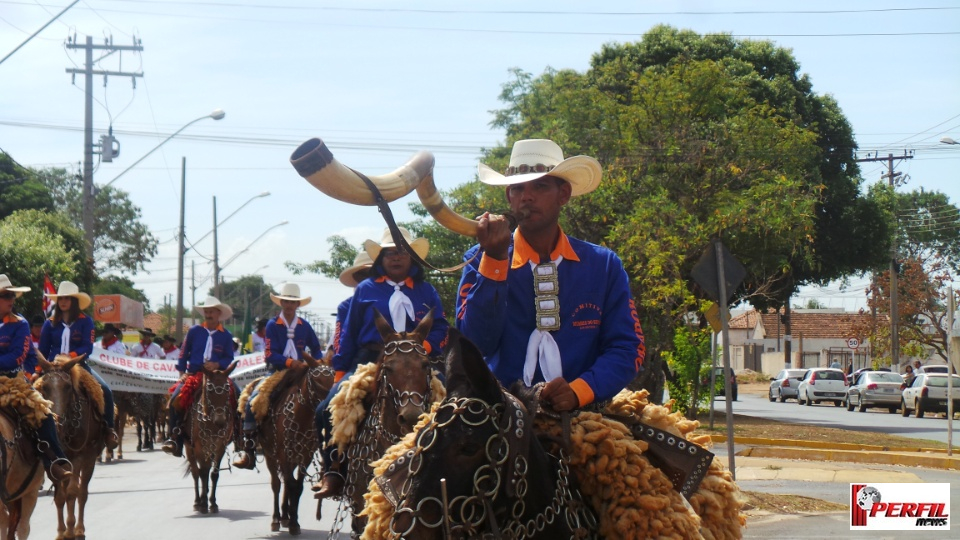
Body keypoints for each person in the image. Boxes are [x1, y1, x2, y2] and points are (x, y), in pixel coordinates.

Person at [456, 139, 644, 413]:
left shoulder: (603, 265)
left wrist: (579, 390)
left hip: (586, 412)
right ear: (509, 196)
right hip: (499, 414)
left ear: (563, 194)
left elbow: (628, 348)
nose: (526, 197)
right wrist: (495, 261)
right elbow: (474, 344)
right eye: (517, 188)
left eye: (540, 186)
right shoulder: (479, 258)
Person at [312, 227, 449, 500]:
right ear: (381, 259)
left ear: (411, 257)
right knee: (325, 407)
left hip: (416, 361)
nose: (396, 257)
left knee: (452, 401)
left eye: (401, 252)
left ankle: (448, 469)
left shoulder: (426, 291)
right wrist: (340, 372)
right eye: (389, 253)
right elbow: (349, 332)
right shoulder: (366, 289)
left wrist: (424, 347)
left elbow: (441, 328)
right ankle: (334, 470)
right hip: (370, 359)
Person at [233, 283, 321, 469]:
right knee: (253, 399)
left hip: (302, 372)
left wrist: (317, 363)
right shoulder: (273, 325)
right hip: (278, 371)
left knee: (322, 397)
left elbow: (316, 348)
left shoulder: (305, 326)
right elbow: (269, 354)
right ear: (281, 303)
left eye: (293, 302)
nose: (289, 306)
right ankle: (249, 447)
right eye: (286, 302)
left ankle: (324, 449)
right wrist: (289, 362)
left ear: (298, 305)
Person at [0, 274, 74, 482]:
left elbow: (17, 356)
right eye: (6, 296)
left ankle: (56, 462)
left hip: (11, 382)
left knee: (42, 414)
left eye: (12, 296)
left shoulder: (20, 324)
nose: (11, 300)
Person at [39, 280, 120, 450]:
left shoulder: (86, 322)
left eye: (67, 298)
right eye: (61, 298)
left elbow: (87, 347)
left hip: (78, 366)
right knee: (33, 393)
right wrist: (39, 369)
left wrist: (71, 358)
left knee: (105, 390)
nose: (63, 301)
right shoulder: (49, 323)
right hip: (52, 368)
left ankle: (108, 429)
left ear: (74, 301)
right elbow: (43, 349)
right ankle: (32, 433)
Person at [161, 296, 238, 457]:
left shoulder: (226, 335)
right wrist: (182, 374)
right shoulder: (194, 331)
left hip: (217, 376)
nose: (209, 314)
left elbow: (228, 357)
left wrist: (217, 364)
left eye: (212, 312)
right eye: (206, 311)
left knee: (237, 394)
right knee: (176, 398)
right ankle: (175, 437)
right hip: (195, 373)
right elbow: (183, 353)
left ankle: (239, 436)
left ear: (219, 313)